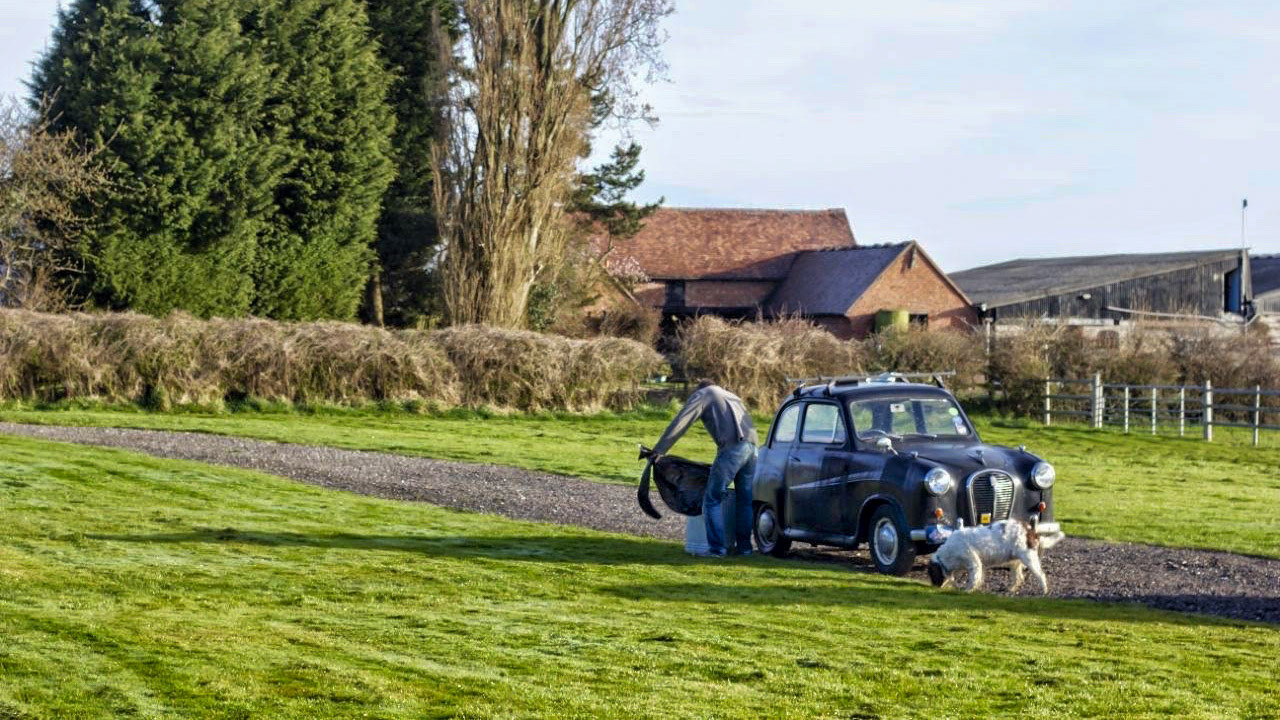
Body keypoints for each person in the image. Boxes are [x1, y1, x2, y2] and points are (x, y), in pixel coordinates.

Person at [651, 379, 758, 557]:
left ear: (698, 389)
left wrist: (659, 450)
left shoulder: (705, 394)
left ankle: (717, 550)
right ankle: (745, 549)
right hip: (753, 448)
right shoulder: (731, 395)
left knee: (712, 499)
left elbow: (681, 421)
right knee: (744, 500)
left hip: (733, 449)